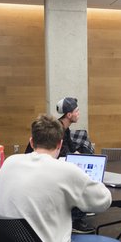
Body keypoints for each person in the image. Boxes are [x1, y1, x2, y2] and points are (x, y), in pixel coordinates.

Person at [0, 114, 121, 242]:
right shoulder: (66, 171)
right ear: (59, 144)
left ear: (32, 142)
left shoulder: (9, 163)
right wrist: (86, 179)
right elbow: (103, 201)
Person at [25, 96, 95, 233]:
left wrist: (85, 158)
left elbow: (71, 149)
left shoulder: (64, 128)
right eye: (77, 111)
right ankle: (75, 220)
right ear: (69, 115)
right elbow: (64, 157)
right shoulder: (58, 132)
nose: (79, 113)